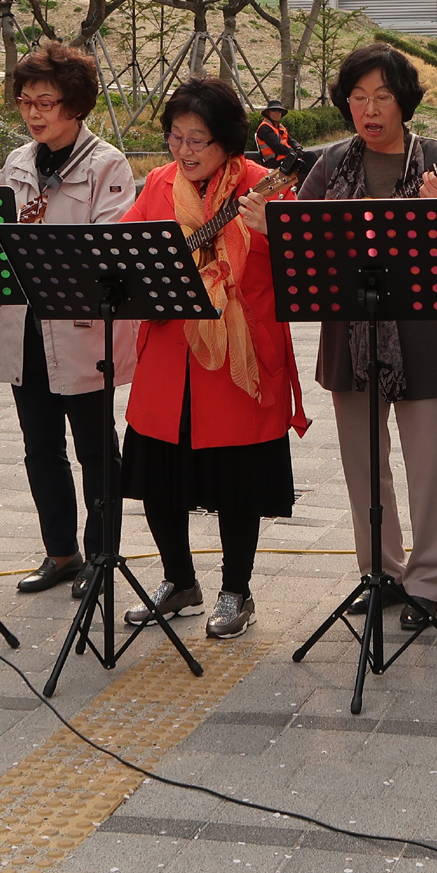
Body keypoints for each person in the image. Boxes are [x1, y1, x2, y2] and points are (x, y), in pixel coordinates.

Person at [119, 77, 306, 640]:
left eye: (198, 139)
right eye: (176, 137)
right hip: (169, 352)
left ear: (227, 140)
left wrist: (271, 230)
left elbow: (303, 267)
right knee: (158, 474)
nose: (184, 150)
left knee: (236, 481)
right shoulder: (160, 182)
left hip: (236, 356)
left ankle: (236, 590)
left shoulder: (263, 186)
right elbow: (126, 249)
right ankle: (179, 581)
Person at [292, 42, 437, 632]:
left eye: (383, 97)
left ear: (404, 102)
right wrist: (272, 226)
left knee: (429, 466)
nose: (369, 110)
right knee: (364, 467)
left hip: (423, 332)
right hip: (350, 334)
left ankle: (426, 583)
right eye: (358, 97)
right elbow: (301, 243)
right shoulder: (330, 163)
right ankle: (381, 574)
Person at [0, 42, 138, 596]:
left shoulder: (106, 164)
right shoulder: (17, 161)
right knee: (40, 447)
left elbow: (110, 246)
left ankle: (102, 555)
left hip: (80, 328)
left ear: (75, 105)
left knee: (95, 448)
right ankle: (61, 553)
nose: (33, 113)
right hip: (25, 324)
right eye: (25, 101)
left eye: (45, 103)